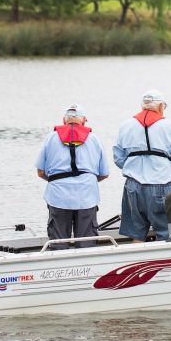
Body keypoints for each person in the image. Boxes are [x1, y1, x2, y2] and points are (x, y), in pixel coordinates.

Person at [114, 89, 171, 242]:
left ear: (143, 106)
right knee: (165, 232)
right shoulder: (170, 126)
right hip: (160, 185)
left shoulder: (125, 125)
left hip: (132, 186)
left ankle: (138, 264)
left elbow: (118, 159)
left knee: (136, 234)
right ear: (161, 106)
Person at [35, 104, 109, 249]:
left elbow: (41, 172)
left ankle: (58, 268)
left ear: (64, 121)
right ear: (84, 121)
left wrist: (57, 180)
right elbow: (104, 173)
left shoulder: (50, 138)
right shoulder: (95, 139)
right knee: (87, 243)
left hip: (58, 197)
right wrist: (86, 180)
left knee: (58, 244)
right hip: (87, 196)